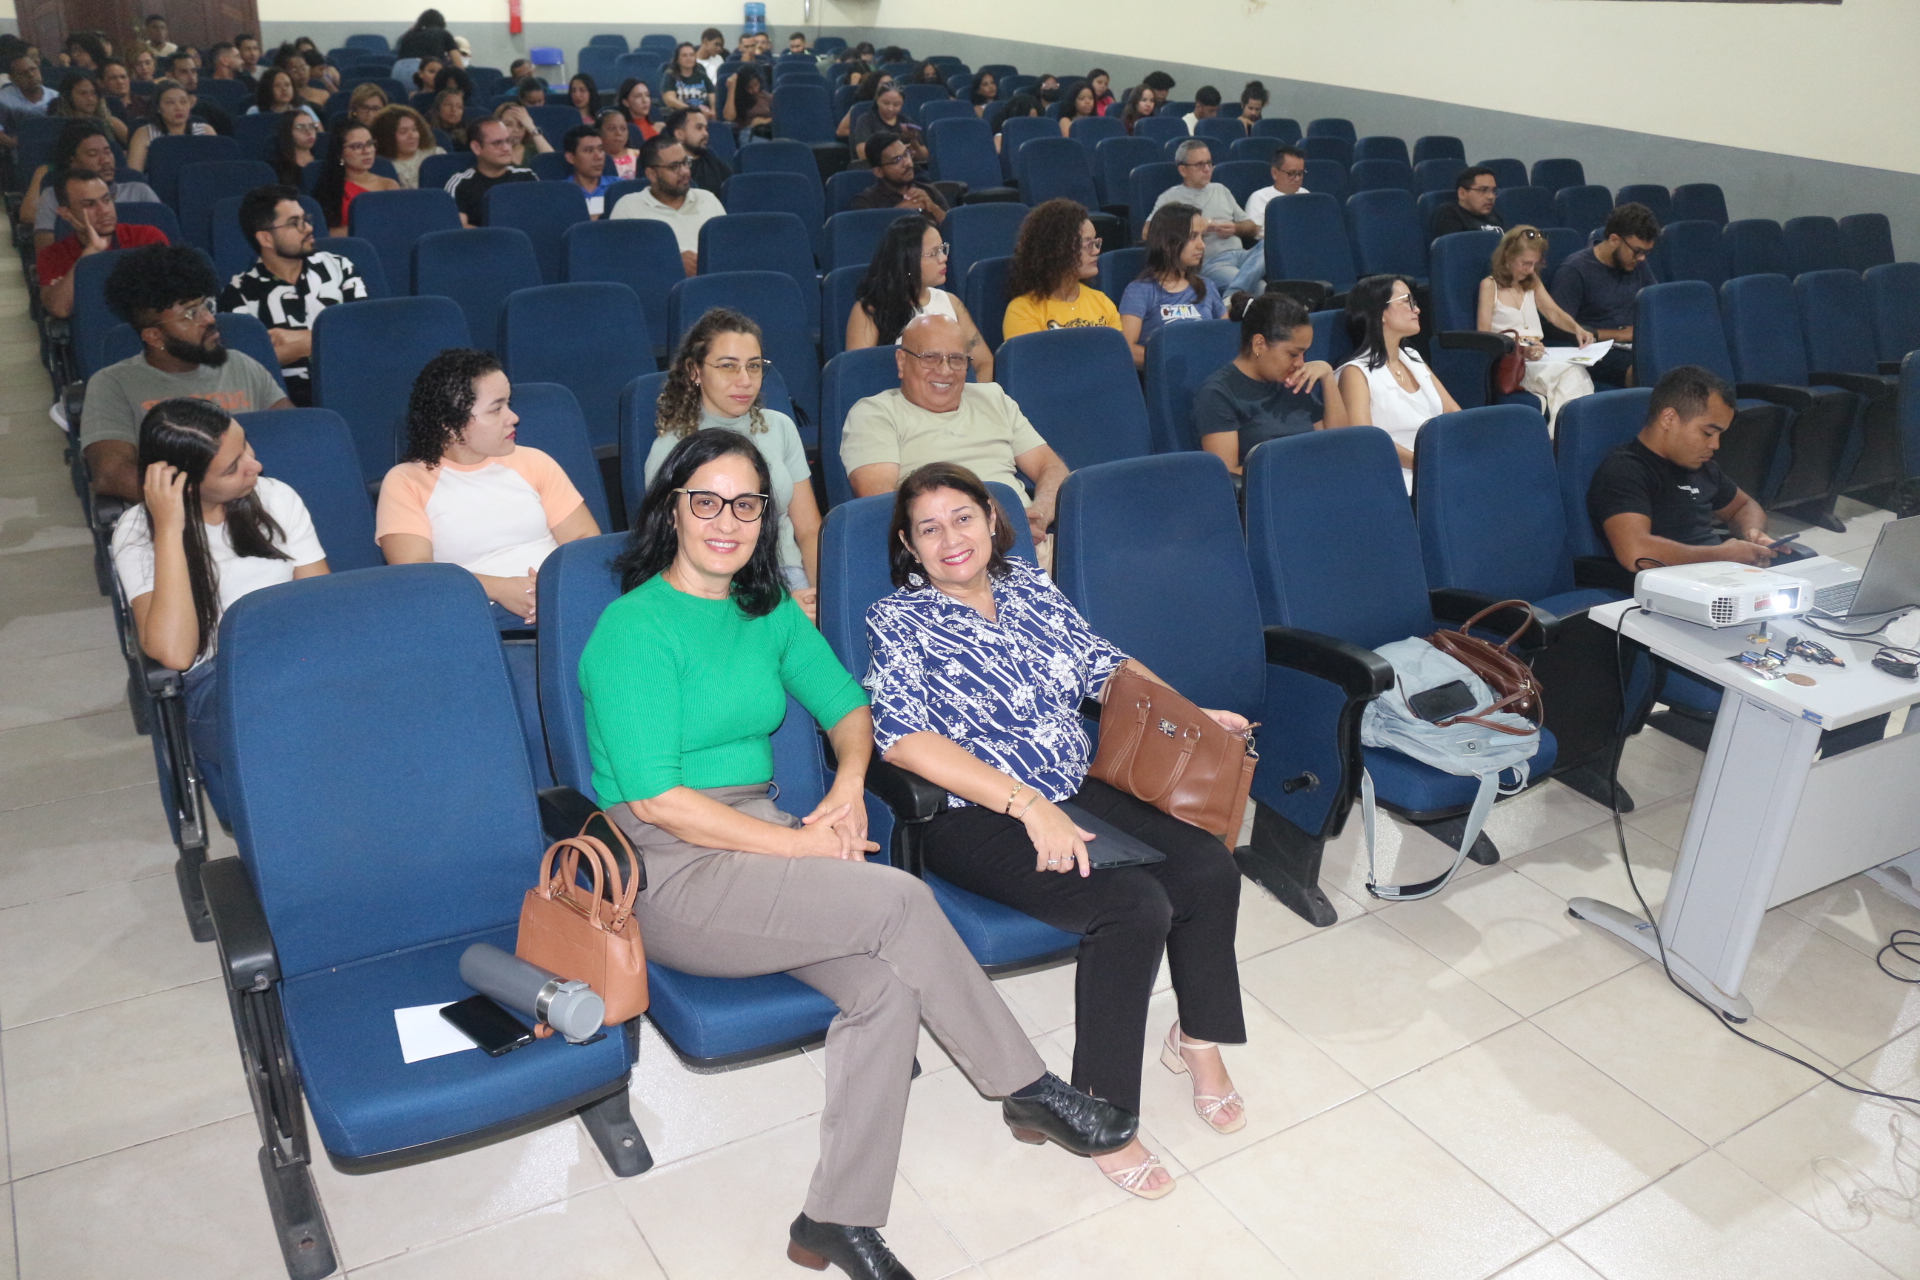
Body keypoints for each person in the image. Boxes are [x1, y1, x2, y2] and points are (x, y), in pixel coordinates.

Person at [582, 428, 1133, 1280]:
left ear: (766, 517)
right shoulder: (633, 629)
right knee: (900, 900)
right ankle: (1026, 1089)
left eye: (746, 504)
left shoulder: (764, 610)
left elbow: (850, 709)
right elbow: (659, 801)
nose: (727, 521)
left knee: (883, 989)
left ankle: (833, 1221)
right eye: (706, 501)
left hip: (762, 841)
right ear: (671, 510)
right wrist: (797, 843)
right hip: (670, 868)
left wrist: (843, 790)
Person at [865, 459, 1249, 1200]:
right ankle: (1101, 1111)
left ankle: (1196, 1039)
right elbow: (903, 741)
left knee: (1208, 867)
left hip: (1074, 787)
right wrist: (1027, 805)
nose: (951, 539)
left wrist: (1190, 718)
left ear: (992, 518)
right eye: (928, 529)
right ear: (909, 546)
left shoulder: (1028, 586)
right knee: (1132, 906)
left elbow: (1105, 667)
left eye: (963, 518)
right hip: (976, 815)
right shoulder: (898, 619)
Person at [113, 398, 328, 814]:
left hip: (294, 658)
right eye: (232, 468)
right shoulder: (137, 532)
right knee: (304, 726)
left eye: (245, 446)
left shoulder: (276, 498)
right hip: (217, 683)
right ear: (188, 485)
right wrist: (169, 530)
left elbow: (319, 608)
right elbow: (176, 654)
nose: (255, 465)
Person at [377, 349, 600, 625]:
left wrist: (552, 588)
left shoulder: (535, 461)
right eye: (496, 409)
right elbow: (417, 575)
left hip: (563, 601)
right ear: (451, 426)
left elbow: (584, 542)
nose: (513, 417)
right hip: (477, 619)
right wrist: (501, 589)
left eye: (508, 404)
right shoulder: (406, 482)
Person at [643, 309, 822, 617]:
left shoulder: (780, 426)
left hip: (789, 576)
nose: (745, 381)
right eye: (728, 366)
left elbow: (808, 529)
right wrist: (775, 607)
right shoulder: (672, 448)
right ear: (695, 371)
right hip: (718, 587)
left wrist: (823, 596)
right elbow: (670, 554)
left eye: (754, 366)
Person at [82, 245, 293, 502]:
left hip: (259, 503)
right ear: (154, 336)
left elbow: (294, 437)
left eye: (206, 305)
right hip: (178, 515)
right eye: (191, 314)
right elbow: (111, 474)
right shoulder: (112, 384)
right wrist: (203, 500)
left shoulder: (241, 365)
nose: (209, 319)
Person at [843, 313, 1069, 545]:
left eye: (956, 359)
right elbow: (883, 504)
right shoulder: (873, 414)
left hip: (1030, 540)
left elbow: (1051, 467)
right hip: (948, 549)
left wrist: (1040, 516)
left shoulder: (994, 398)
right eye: (930, 358)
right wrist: (993, 529)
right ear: (902, 362)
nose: (945, 371)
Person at [1589, 365, 1783, 571]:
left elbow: (1744, 506)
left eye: (1720, 435)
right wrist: (1723, 555)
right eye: (1708, 433)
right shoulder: (1625, 471)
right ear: (1669, 419)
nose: (1715, 445)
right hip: (1670, 583)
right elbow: (1637, 553)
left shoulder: (1702, 466)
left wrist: (1753, 534)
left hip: (1717, 575)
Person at [219, 185, 367, 405]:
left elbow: (364, 334)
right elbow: (246, 367)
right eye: (294, 223)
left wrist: (295, 343)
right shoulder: (238, 293)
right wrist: (322, 340)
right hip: (285, 405)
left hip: (354, 388)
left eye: (305, 219)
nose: (308, 228)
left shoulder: (339, 268)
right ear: (266, 239)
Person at [1195, 292, 1349, 474]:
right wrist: (1298, 470)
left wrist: (1328, 377)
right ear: (1259, 344)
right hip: (1274, 486)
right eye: (1293, 354)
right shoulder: (1218, 394)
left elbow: (1340, 444)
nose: (1301, 363)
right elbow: (1226, 474)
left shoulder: (1292, 380)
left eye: (1304, 354)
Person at [1337, 274, 1462, 491]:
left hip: (1439, 468)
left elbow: (1452, 411)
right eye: (1407, 301)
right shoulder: (1355, 373)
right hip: (1397, 479)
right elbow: (1367, 442)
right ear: (1380, 313)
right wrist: (1426, 464)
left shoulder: (1412, 357)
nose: (1417, 309)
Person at [1477, 226, 1596, 428]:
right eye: (1525, 263)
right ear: (1508, 257)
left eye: (1535, 264)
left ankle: (1562, 434)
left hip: (1539, 356)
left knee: (1577, 375)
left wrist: (1577, 328)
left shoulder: (1532, 281)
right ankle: (1565, 435)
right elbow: (1483, 336)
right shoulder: (1490, 286)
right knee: (1573, 375)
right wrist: (1522, 349)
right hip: (1513, 362)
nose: (1531, 270)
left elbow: (1553, 312)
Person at [848, 214, 993, 380]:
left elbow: (984, 363)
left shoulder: (952, 303)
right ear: (908, 262)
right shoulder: (869, 312)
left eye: (943, 249)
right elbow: (860, 377)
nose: (944, 258)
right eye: (934, 253)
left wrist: (975, 395)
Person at [1552, 202, 1661, 388]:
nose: (1642, 258)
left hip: (1635, 343)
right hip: (1596, 350)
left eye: (1646, 252)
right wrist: (1620, 335)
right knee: (1646, 368)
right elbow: (1559, 328)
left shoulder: (1638, 264)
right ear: (1614, 240)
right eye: (1637, 251)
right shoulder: (1574, 270)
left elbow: (1656, 305)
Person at [35, 169, 169, 318]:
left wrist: (82, 289)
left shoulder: (147, 237)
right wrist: (90, 253)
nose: (104, 210)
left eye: (107, 199)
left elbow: (170, 294)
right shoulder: (52, 256)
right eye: (89, 204)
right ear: (66, 213)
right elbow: (60, 309)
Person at [1119, 203, 1228, 368]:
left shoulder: (1207, 286)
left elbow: (1227, 338)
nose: (1202, 245)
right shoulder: (1139, 291)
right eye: (1193, 237)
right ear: (1168, 242)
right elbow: (1127, 350)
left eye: (1202, 236)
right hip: (1169, 377)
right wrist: (1176, 364)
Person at [1150, 140, 1264, 296]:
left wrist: (1235, 228)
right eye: (1199, 165)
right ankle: (1236, 292)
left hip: (1241, 254)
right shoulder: (1170, 197)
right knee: (1261, 287)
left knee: (1269, 244)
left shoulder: (1221, 189)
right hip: (1210, 261)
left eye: (1209, 163)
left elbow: (1252, 227)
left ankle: (1233, 293)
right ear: (1183, 170)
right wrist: (1197, 226)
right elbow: (1149, 232)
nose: (1207, 169)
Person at [25, 120, 156, 249]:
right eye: (93, 154)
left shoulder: (140, 191)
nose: (105, 160)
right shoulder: (53, 197)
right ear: (72, 162)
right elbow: (47, 253)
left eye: (108, 152)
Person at [1002, 198, 1121, 338]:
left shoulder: (1102, 302)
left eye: (1096, 242)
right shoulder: (1023, 310)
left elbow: (1118, 351)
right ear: (1059, 249)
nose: (1096, 251)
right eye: (1088, 244)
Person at [610, 135, 724, 277]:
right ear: (652, 174)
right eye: (674, 167)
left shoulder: (708, 199)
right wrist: (672, 262)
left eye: (685, 162)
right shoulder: (628, 207)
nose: (685, 171)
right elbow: (619, 264)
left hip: (709, 283)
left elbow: (728, 250)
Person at [445, 116, 536, 228]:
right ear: (476, 147)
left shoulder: (527, 177)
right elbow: (458, 227)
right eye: (497, 143)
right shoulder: (460, 183)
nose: (506, 148)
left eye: (509, 141)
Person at [312, 118, 398, 236]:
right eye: (357, 146)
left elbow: (398, 227)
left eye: (370, 144)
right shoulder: (329, 188)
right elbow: (323, 233)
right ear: (340, 153)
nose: (367, 151)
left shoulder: (389, 185)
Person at [847, 132, 946, 223]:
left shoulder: (928, 191)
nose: (907, 163)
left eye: (906, 154)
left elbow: (952, 228)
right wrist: (896, 213)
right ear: (879, 171)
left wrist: (934, 209)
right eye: (896, 160)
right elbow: (871, 235)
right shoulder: (866, 203)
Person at [125, 79, 213, 171]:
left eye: (183, 102)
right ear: (158, 108)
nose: (178, 108)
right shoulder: (145, 134)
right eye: (170, 102)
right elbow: (134, 175)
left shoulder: (205, 131)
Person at [849, 84, 926, 167]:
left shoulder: (907, 122)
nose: (890, 108)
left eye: (896, 104)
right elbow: (863, 154)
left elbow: (924, 157)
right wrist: (898, 152)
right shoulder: (866, 120)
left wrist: (915, 143)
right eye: (886, 103)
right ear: (877, 100)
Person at [664, 106, 730, 196]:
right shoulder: (666, 168)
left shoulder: (712, 159)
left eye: (706, 129)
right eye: (699, 128)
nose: (706, 133)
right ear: (679, 134)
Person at [160, 52, 232, 134]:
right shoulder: (159, 109)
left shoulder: (210, 109)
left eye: (193, 71)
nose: (191, 77)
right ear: (170, 76)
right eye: (184, 72)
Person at [49, 69, 126, 146]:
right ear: (68, 96)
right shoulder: (57, 126)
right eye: (83, 93)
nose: (90, 98)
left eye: (93, 93)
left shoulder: (110, 123)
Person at [372, 104, 440, 188]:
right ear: (387, 137)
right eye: (403, 132)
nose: (412, 136)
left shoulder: (436, 154)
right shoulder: (382, 167)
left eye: (414, 129)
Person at [1243, 143, 1308, 234]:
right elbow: (1255, 234)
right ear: (1274, 173)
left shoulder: (1305, 194)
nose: (1297, 179)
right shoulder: (1259, 198)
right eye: (1291, 173)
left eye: (1300, 173)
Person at [1432, 166, 1504, 239]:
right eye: (1483, 190)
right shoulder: (1449, 214)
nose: (1491, 196)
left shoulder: (1494, 215)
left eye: (1493, 191)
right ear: (1462, 193)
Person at [560, 123, 615, 217]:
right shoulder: (561, 192)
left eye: (601, 149)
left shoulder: (618, 186)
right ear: (571, 158)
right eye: (589, 150)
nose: (598, 156)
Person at [495, 97, 558, 166]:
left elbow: (553, 162)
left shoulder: (533, 150)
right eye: (508, 125)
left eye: (521, 125)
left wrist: (532, 127)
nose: (516, 130)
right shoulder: (492, 152)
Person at [267, 109, 319, 187]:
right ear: (287, 132)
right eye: (300, 127)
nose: (309, 132)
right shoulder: (278, 167)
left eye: (311, 126)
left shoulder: (324, 159)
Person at [660, 43, 714, 116]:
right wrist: (693, 111)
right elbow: (670, 100)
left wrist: (713, 111)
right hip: (681, 115)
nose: (689, 58)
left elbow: (712, 95)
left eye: (692, 55)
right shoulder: (670, 76)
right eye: (684, 55)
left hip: (704, 115)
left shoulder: (702, 75)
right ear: (677, 59)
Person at [723, 63, 773, 136]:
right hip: (748, 134)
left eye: (756, 84)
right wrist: (732, 87)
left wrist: (764, 121)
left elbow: (779, 116)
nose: (755, 90)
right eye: (749, 88)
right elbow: (729, 118)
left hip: (768, 130)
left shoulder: (765, 95)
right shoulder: (738, 100)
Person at [2, 51, 52, 116]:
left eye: (33, 69)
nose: (31, 75)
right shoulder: (3, 100)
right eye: (23, 73)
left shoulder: (55, 97)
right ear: (12, 78)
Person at [596, 108, 639, 181]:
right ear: (599, 132)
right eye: (612, 128)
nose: (619, 133)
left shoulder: (639, 156)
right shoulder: (596, 159)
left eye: (623, 128)